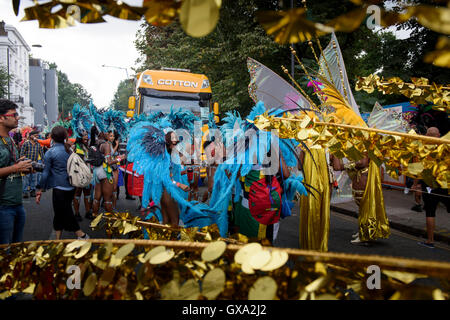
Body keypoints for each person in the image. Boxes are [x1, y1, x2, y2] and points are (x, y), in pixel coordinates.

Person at [35, 126, 89, 240]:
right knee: (59, 213)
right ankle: (57, 240)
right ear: (65, 136)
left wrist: (40, 189)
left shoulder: (50, 152)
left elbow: (45, 174)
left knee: (66, 213)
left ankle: (81, 235)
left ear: (52, 137)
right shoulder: (69, 150)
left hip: (59, 189)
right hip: (71, 186)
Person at [0, 99, 33, 244]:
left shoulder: (10, 140)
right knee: (5, 252)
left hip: (17, 204)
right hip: (3, 206)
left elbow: (12, 167)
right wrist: (15, 168)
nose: (18, 117)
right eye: (14, 114)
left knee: (17, 250)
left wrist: (23, 168)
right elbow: (12, 168)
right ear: (1, 118)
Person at [414, 127, 450, 249]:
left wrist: (416, 185)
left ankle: (430, 241)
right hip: (445, 184)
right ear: (439, 135)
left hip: (429, 185)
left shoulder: (423, 149)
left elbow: (419, 169)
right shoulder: (446, 146)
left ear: (427, 135)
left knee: (430, 212)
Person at [91, 131, 125, 217]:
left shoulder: (97, 142)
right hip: (105, 171)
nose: (112, 136)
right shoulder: (106, 145)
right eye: (108, 133)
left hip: (97, 170)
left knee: (97, 197)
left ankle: (94, 216)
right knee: (107, 199)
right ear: (105, 134)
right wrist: (119, 159)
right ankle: (110, 222)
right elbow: (108, 162)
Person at [72, 132, 92, 221]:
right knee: (77, 194)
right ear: (79, 137)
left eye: (87, 135)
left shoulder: (87, 147)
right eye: (84, 135)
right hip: (78, 174)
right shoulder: (75, 147)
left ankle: (88, 212)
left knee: (87, 194)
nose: (86, 137)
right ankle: (76, 214)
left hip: (87, 174)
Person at [20, 130, 44, 198]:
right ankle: (25, 192)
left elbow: (41, 153)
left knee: (34, 178)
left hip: (35, 163)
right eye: (35, 135)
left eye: (37, 135)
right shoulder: (26, 143)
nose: (37, 137)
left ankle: (32, 190)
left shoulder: (38, 144)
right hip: (27, 163)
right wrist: (22, 161)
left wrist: (43, 160)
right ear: (31, 136)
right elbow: (22, 154)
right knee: (26, 178)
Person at [108, 130, 120, 208]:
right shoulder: (107, 144)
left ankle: (114, 207)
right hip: (108, 167)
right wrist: (117, 145)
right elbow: (111, 153)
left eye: (113, 136)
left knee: (115, 188)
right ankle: (109, 206)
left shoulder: (112, 144)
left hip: (115, 167)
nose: (112, 137)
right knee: (110, 188)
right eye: (110, 136)